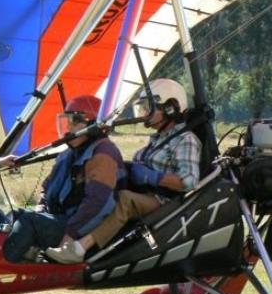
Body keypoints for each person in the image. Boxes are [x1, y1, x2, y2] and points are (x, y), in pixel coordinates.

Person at [46, 78, 202, 264]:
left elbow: (190, 181)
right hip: (145, 196)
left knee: (125, 199)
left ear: (170, 107)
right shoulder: (157, 139)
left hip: (166, 200)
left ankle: (79, 249)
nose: (145, 113)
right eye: (143, 108)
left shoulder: (185, 139)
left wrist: (152, 177)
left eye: (149, 107)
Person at [2, 95, 127, 262]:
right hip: (61, 219)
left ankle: (1, 265)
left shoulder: (103, 153)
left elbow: (97, 204)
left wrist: (70, 235)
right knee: (13, 216)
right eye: (67, 120)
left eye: (75, 121)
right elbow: (47, 188)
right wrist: (41, 209)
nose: (69, 127)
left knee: (29, 221)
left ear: (93, 124)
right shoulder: (69, 153)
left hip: (78, 231)